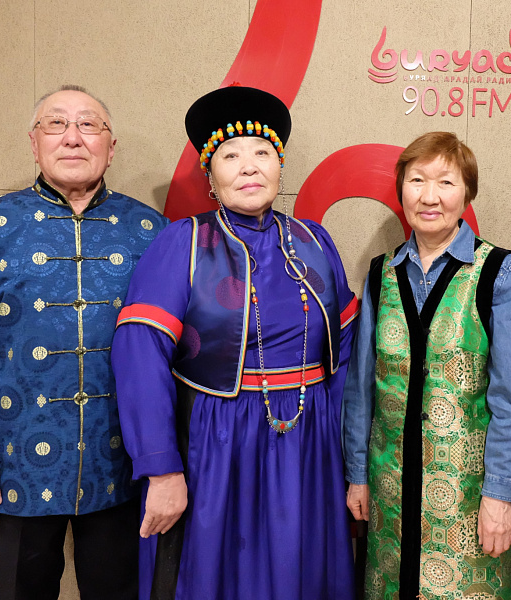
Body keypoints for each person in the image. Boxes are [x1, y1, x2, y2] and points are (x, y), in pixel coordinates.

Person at [111, 85, 360, 600]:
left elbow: (348, 354)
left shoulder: (315, 241)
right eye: (230, 156)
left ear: (279, 166)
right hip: (218, 442)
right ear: (211, 175)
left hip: (309, 440)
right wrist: (161, 468)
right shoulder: (183, 242)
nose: (249, 167)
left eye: (262, 153)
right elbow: (140, 356)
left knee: (302, 569)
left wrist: (349, 459)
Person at [0, 84, 167, 599]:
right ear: (34, 142)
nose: (73, 137)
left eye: (89, 125)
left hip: (121, 462)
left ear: (111, 146)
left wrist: (166, 462)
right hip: (17, 460)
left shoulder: (152, 231)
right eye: (56, 124)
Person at [342, 132, 511, 600]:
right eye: (417, 180)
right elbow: (361, 389)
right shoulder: (380, 274)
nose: (430, 197)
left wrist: (500, 494)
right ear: (401, 190)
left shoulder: (498, 272)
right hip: (389, 493)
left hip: (469, 499)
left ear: (467, 193)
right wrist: (358, 474)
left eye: (446, 182)